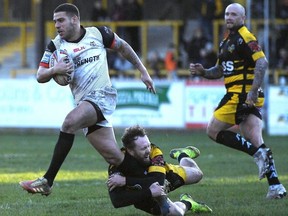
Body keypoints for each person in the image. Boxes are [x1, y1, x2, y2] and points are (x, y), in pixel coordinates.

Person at [19, 3, 156, 196]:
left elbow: (123, 47)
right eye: (54, 21)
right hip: (85, 104)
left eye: (61, 20)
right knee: (114, 157)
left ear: (74, 19)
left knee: (68, 123)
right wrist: (54, 70)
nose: (57, 25)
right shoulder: (56, 45)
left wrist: (143, 71)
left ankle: (47, 180)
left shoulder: (99, 34)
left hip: (102, 96)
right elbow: (40, 75)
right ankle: (155, 179)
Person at [189, 3, 286, 199]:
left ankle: (257, 155)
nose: (229, 17)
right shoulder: (226, 41)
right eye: (227, 14)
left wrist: (251, 93)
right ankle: (275, 186)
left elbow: (262, 62)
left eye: (234, 14)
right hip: (243, 94)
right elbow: (219, 71)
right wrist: (203, 72)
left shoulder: (245, 37)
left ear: (243, 17)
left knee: (212, 130)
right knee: (256, 140)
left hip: (240, 94)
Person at [107, 125, 212, 215]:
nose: (148, 150)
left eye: (148, 145)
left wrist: (126, 181)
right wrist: (149, 192)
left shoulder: (154, 151)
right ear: (130, 150)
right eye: (143, 148)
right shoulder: (116, 166)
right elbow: (117, 201)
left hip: (165, 175)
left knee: (198, 174)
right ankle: (188, 203)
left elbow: (158, 182)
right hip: (145, 195)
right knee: (176, 214)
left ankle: (182, 155)